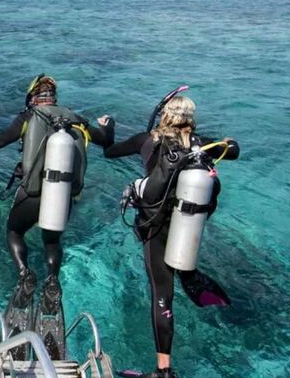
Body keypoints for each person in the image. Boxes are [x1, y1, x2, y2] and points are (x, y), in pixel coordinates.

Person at [0, 74, 113, 317]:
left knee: (14, 232)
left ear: (33, 97)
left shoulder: (28, 117)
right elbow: (107, 140)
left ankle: (25, 273)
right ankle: (52, 281)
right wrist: (109, 124)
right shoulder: (76, 119)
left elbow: (0, 139)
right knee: (52, 241)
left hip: (32, 195)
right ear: (54, 97)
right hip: (63, 197)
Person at [103, 93, 240, 378]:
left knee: (162, 294)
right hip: (186, 221)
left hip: (155, 227)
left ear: (164, 115)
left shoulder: (146, 140)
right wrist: (227, 142)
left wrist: (108, 128)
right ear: (190, 118)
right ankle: (191, 276)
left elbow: (110, 151)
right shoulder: (201, 144)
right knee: (179, 269)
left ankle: (163, 371)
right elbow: (234, 150)